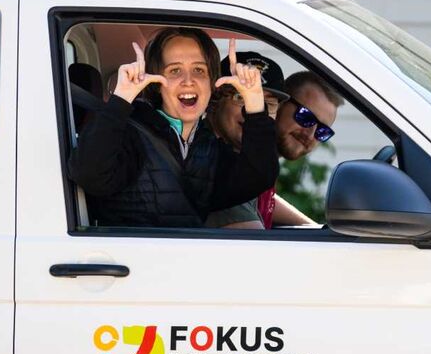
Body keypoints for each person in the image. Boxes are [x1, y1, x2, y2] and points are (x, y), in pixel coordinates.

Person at [68, 27, 278, 228]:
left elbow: (259, 176)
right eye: (175, 70)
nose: (189, 81)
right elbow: (89, 174)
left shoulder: (207, 146)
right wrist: (121, 99)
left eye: (199, 70)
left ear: (211, 82)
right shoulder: (131, 134)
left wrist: (254, 104)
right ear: (158, 84)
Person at [209, 64, 343, 229]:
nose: (310, 134)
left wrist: (315, 228)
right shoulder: (228, 163)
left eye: (322, 131)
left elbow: (261, 197)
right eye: (305, 117)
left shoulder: (258, 166)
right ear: (280, 106)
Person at [205, 47, 289, 229]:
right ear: (214, 99)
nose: (252, 110)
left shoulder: (242, 163)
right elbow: (257, 250)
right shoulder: (211, 162)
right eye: (241, 97)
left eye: (266, 104)